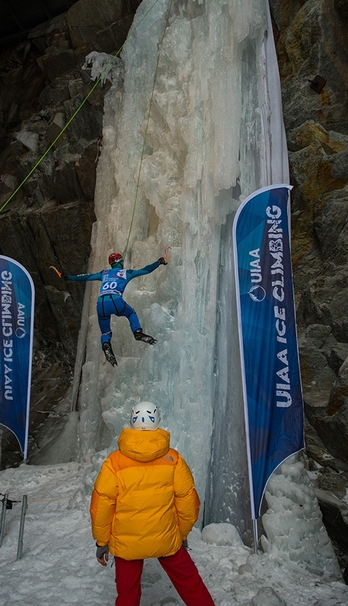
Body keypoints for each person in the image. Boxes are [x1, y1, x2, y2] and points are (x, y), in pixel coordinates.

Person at [90, 401, 215, 606]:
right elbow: (187, 502)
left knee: (127, 595)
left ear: (132, 421)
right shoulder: (173, 459)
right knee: (190, 583)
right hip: (166, 537)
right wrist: (181, 534)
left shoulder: (114, 462)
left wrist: (102, 541)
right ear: (157, 421)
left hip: (126, 543)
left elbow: (102, 505)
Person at [60, 253, 167, 366]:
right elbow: (145, 270)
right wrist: (159, 262)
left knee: (105, 332)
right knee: (131, 313)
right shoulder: (126, 273)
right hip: (115, 300)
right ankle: (137, 332)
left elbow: (85, 277)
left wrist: (68, 277)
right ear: (120, 262)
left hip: (101, 304)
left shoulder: (104, 273)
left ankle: (106, 345)